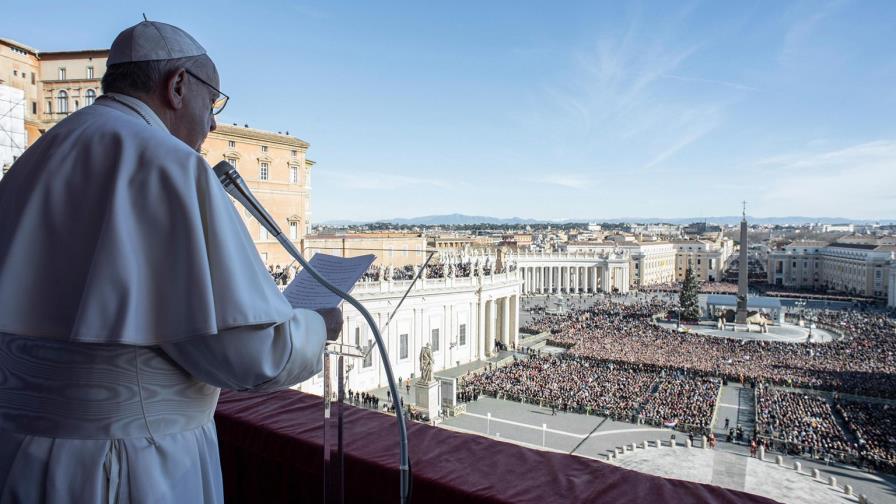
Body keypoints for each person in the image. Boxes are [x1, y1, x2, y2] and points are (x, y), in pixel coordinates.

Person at [0, 20, 340, 503]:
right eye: (213, 102)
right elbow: (245, 356)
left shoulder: (36, 159)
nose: (214, 123)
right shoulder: (169, 165)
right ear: (177, 86)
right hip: (127, 467)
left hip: (19, 456)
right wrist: (316, 327)